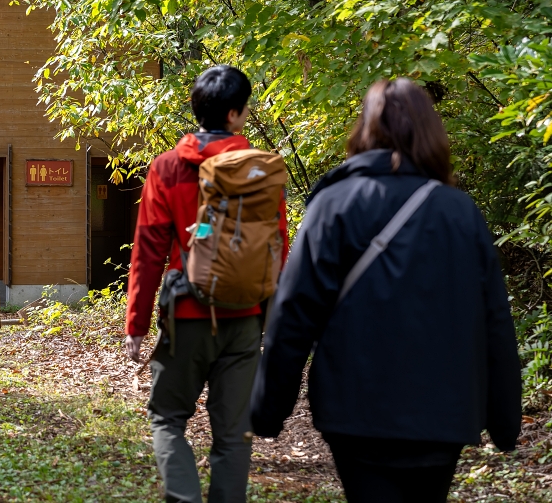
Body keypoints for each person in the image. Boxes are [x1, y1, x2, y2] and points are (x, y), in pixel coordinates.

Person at [249, 78, 521, 503]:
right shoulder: (460, 213)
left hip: (356, 410)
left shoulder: (334, 205)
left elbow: (294, 314)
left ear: (365, 129)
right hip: (443, 411)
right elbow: (495, 322)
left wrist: (269, 409)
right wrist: (505, 419)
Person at [124, 65, 289, 503]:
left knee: (167, 420)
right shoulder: (264, 172)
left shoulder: (168, 168)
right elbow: (278, 250)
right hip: (246, 319)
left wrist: (136, 325)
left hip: (187, 317)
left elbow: (148, 252)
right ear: (235, 114)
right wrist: (273, 321)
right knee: (234, 438)